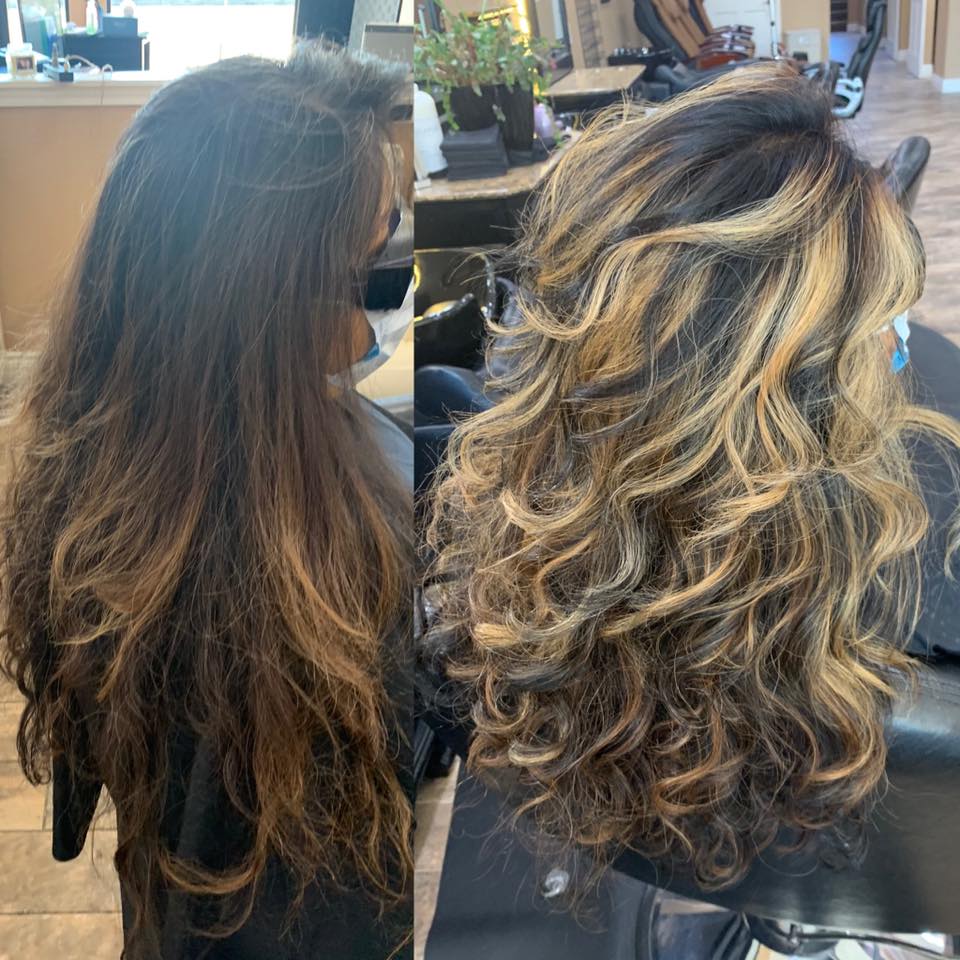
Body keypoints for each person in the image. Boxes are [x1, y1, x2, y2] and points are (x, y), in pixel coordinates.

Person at [421, 64, 960, 896]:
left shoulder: (499, 559)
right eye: (884, 322)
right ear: (817, 386)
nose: (898, 338)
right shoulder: (916, 567)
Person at [1, 43, 413, 959]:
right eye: (374, 263)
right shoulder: (334, 584)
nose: (392, 296)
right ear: (267, 304)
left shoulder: (88, 458)